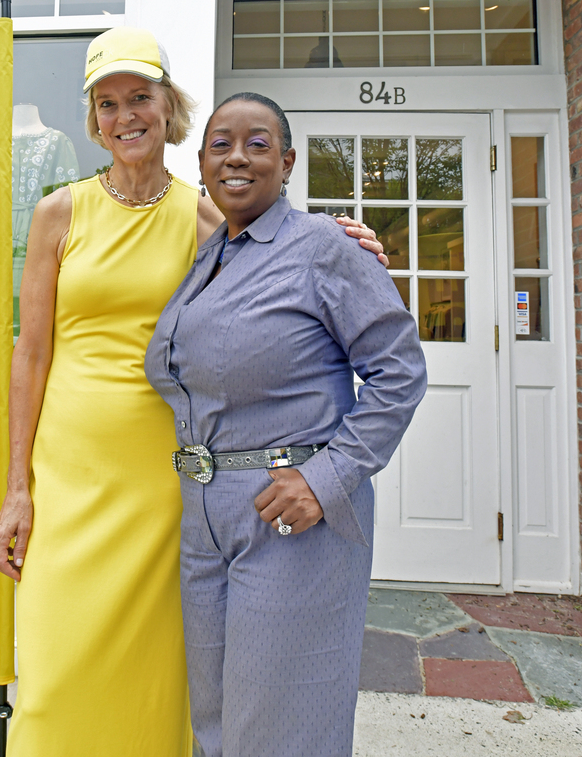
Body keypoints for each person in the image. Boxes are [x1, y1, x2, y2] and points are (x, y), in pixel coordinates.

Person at [0, 30, 388, 757]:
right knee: (53, 659)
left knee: (160, 669)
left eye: (140, 97)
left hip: (164, 477)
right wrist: (16, 488)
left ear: (168, 107)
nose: (125, 115)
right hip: (68, 474)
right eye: (108, 103)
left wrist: (338, 237)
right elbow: (31, 353)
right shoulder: (60, 213)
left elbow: (277, 253)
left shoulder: (202, 217)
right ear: (95, 119)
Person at [145, 92, 427, 757]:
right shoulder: (210, 257)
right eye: (220, 144)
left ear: (288, 161)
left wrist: (326, 478)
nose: (237, 157)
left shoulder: (322, 248)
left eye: (257, 143)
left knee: (281, 730)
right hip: (206, 520)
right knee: (216, 725)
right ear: (203, 159)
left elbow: (400, 372)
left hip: (290, 518)